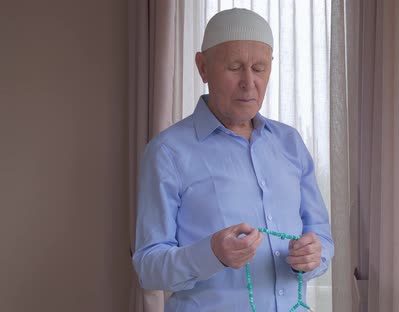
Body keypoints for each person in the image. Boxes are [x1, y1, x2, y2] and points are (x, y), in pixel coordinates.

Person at [132, 8, 334, 312]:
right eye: (235, 67)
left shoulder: (290, 143)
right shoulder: (168, 152)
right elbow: (148, 267)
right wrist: (211, 254)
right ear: (203, 67)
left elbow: (321, 239)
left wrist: (314, 257)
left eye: (259, 68)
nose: (248, 82)